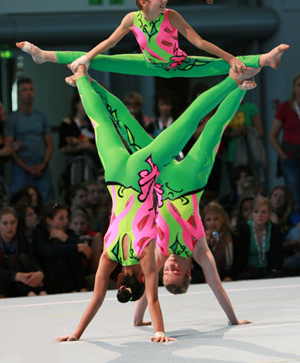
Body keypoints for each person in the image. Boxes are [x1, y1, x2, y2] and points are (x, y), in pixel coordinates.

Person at [57, 65, 257, 343]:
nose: (170, 267)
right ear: (189, 272)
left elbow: (148, 296)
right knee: (206, 129)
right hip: (174, 180)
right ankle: (83, 79)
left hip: (145, 175)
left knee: (120, 121)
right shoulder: (143, 254)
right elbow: (208, 288)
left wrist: (154, 329)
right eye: (175, 272)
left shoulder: (150, 251)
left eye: (167, 273)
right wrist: (232, 320)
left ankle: (85, 80)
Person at [16, 0, 289, 81]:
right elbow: (110, 41)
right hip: (147, 65)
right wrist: (87, 57)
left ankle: (265, 59)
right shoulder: (131, 19)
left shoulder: (172, 16)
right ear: (143, 2)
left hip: (177, 65)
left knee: (219, 65)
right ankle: (43, 56)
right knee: (97, 58)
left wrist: (229, 57)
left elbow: (199, 41)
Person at [3, 77, 54, 202]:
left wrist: (44, 164)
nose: (28, 93)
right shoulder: (12, 119)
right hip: (21, 170)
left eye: (31, 89)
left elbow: (49, 144)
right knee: (19, 201)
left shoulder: (41, 117)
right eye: (24, 90)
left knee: (46, 201)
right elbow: (9, 147)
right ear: (18, 94)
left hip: (42, 169)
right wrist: (26, 167)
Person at [33, 201, 91, 294]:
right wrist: (76, 247)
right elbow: (49, 252)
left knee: (73, 256)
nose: (66, 221)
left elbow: (86, 253)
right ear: (49, 220)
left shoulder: (67, 232)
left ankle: (82, 289)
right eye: (61, 218)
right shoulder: (39, 234)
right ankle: (72, 291)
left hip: (74, 277)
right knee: (60, 258)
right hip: (50, 278)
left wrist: (65, 238)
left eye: (66, 217)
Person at [231, 197, 283, 280]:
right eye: (256, 212)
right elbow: (238, 258)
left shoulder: (275, 230)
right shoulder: (241, 229)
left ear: (269, 214)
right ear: (251, 212)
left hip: (268, 271)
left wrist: (274, 271)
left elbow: (277, 256)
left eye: (264, 212)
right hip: (247, 272)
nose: (260, 215)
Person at [269, 73, 300, 212]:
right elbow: (272, 135)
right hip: (291, 157)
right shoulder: (285, 107)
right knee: (294, 196)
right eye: (299, 85)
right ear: (294, 88)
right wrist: (283, 156)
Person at [0, 206, 46, 297]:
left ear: (16, 222)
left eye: (12, 223)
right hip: (6, 283)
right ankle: (31, 293)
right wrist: (16, 276)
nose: (9, 227)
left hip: (25, 280)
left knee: (23, 257)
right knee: (11, 259)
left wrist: (40, 273)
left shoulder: (21, 240)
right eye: (5, 223)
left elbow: (33, 261)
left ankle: (40, 292)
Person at [58, 94, 100, 193]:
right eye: (83, 102)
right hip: (73, 167)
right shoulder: (67, 123)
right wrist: (85, 146)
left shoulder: (93, 125)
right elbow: (62, 148)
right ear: (76, 104)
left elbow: (97, 148)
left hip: (90, 167)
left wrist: (79, 144)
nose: (86, 106)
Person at [203, 202, 235, 281]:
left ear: (223, 219)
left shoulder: (233, 236)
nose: (212, 223)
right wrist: (205, 243)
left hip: (230, 275)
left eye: (216, 219)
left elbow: (239, 262)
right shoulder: (199, 239)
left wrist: (230, 276)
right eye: (208, 220)